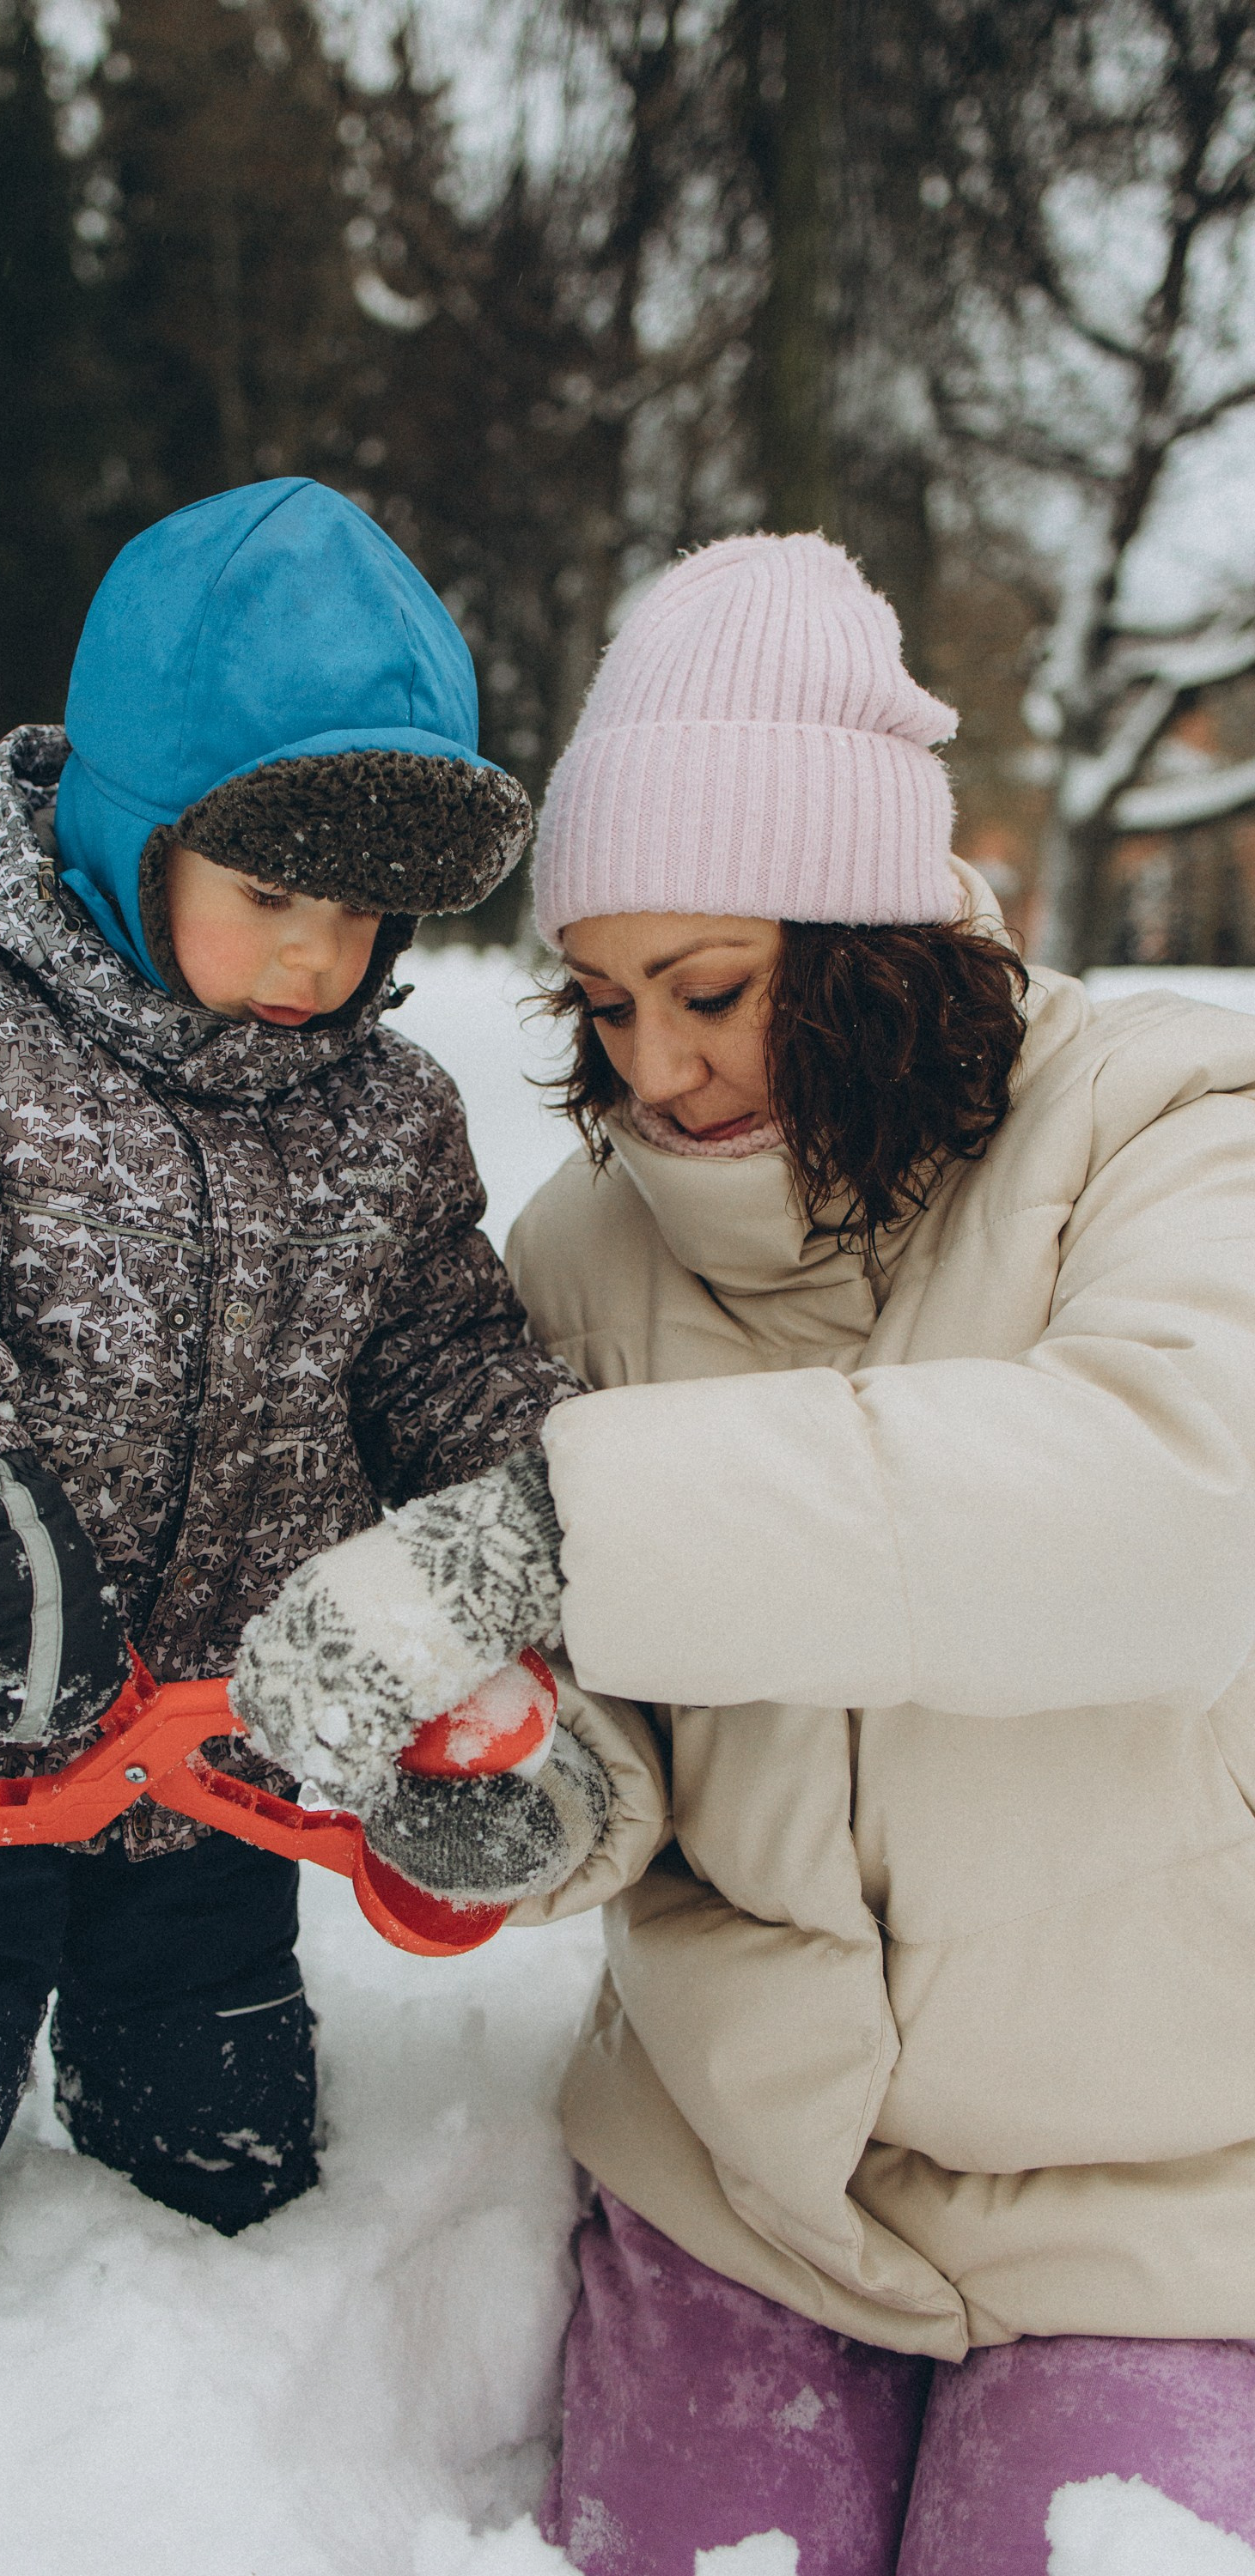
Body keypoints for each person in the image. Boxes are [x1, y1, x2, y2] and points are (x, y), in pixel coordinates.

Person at [232, 533, 1255, 2572]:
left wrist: (549, 1529)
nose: (654, 1070)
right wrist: (539, 1793)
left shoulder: (1162, 1123)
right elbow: (621, 1745)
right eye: (603, 1005)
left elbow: (1178, 1504)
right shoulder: (580, 1259)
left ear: (872, 939)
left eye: (711, 992)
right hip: (736, 2190)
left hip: (1160, 2189)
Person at [0, 477, 593, 2385]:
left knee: (221, 2135)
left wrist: (541, 1525)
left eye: (360, 910)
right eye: (268, 894)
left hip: (212, 1754)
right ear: (135, 844)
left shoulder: (387, 1120)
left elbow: (441, 1361)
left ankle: (197, 2419)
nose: (316, 956)